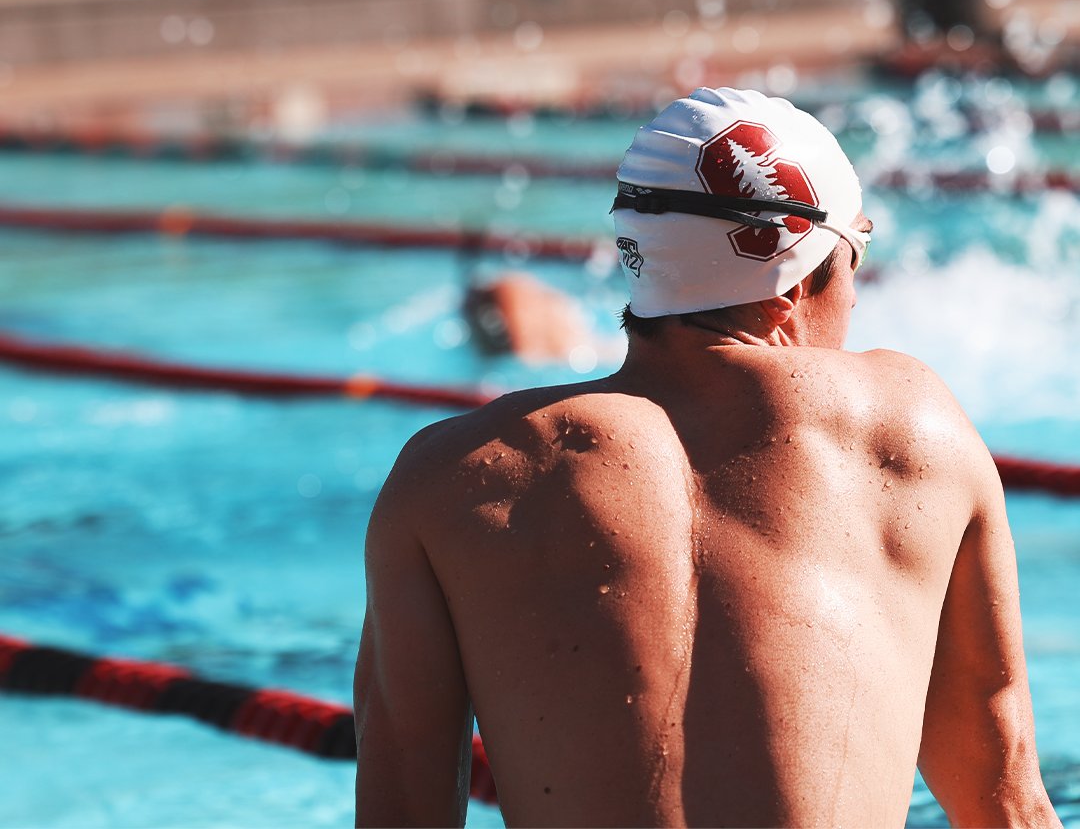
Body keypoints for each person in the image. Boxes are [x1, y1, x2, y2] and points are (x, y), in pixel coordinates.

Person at [354, 87, 1059, 827]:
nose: (856, 295)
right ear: (793, 278)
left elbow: (403, 806)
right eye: (858, 249)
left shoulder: (454, 476)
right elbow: (1006, 802)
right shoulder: (911, 429)